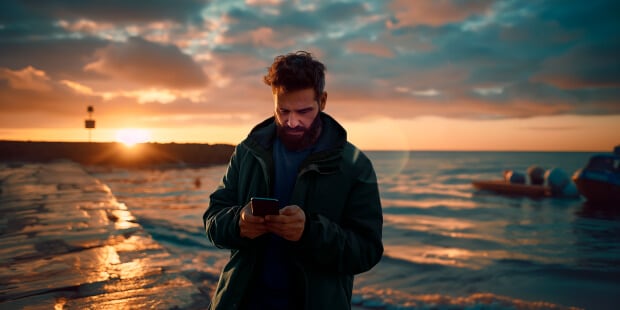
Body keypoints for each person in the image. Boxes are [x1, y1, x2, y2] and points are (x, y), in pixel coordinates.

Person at [203, 51, 383, 310]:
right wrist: (238, 223)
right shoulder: (248, 152)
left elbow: (367, 250)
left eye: (303, 111)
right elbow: (212, 219)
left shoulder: (355, 165)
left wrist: (309, 232)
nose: (292, 121)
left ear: (322, 100)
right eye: (283, 110)